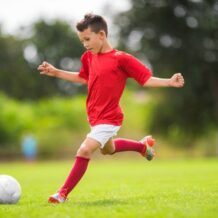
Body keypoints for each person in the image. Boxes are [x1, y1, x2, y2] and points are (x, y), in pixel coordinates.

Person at [37, 13, 185, 204]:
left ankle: (62, 194)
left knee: (84, 150)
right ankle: (142, 146)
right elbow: (84, 78)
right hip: (94, 117)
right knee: (109, 149)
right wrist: (56, 72)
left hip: (110, 118)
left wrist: (169, 82)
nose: (85, 44)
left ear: (101, 35)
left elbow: (145, 79)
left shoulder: (121, 59)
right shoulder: (88, 57)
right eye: (82, 40)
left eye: (87, 39)